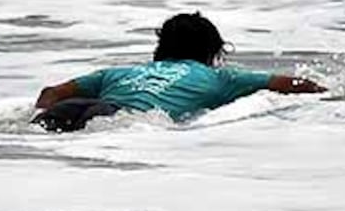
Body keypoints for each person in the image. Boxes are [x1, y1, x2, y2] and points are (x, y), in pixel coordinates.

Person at [31, 12, 324, 132]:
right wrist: (332, 94)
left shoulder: (118, 72)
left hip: (75, 106)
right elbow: (293, 84)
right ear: (212, 52)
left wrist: (36, 113)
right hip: (118, 120)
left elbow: (51, 93)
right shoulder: (222, 78)